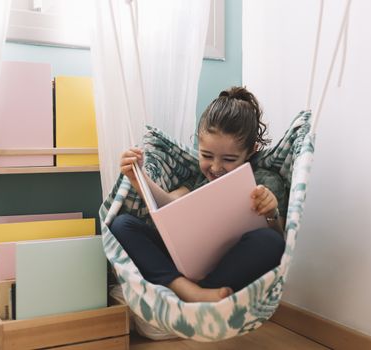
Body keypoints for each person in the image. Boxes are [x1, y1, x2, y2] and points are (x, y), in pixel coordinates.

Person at [110, 86, 286, 303]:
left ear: (251, 151)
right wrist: (138, 179)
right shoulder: (199, 178)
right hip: (183, 264)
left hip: (230, 267)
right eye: (207, 155)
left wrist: (271, 213)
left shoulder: (266, 181)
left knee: (271, 241)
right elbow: (168, 206)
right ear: (198, 145)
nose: (215, 167)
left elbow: (281, 237)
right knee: (122, 225)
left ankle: (202, 290)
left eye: (229, 159)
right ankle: (186, 290)